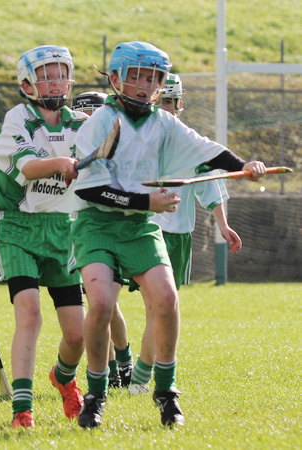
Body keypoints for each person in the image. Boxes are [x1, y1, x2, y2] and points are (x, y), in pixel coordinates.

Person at [69, 41, 266, 428]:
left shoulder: (163, 122)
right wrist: (146, 202)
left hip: (139, 227)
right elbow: (89, 190)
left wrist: (245, 166)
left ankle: (166, 392)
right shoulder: (98, 124)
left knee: (167, 299)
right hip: (96, 225)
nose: (144, 86)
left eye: (153, 78)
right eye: (137, 77)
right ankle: (95, 394)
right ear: (115, 79)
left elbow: (205, 151)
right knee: (102, 306)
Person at [0, 45, 87, 428]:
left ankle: (63, 377)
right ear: (26, 83)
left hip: (66, 231)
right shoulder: (18, 119)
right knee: (29, 314)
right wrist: (61, 163)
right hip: (20, 230)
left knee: (77, 336)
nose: (55, 80)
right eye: (46, 74)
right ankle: (22, 409)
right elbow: (27, 167)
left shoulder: (83, 122)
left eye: (61, 72)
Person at [128, 73, 242, 395]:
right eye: (160, 100)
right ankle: (127, 370)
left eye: (169, 101)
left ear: (178, 103)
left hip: (176, 235)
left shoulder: (189, 143)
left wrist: (223, 225)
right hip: (140, 228)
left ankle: (139, 373)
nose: (165, 107)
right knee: (115, 302)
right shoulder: (140, 138)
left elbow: (212, 187)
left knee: (158, 309)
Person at [71, 91, 133, 389]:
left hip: (115, 232)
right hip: (80, 233)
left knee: (107, 305)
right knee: (100, 306)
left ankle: (123, 363)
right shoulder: (72, 148)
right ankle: (112, 370)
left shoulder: (122, 152)